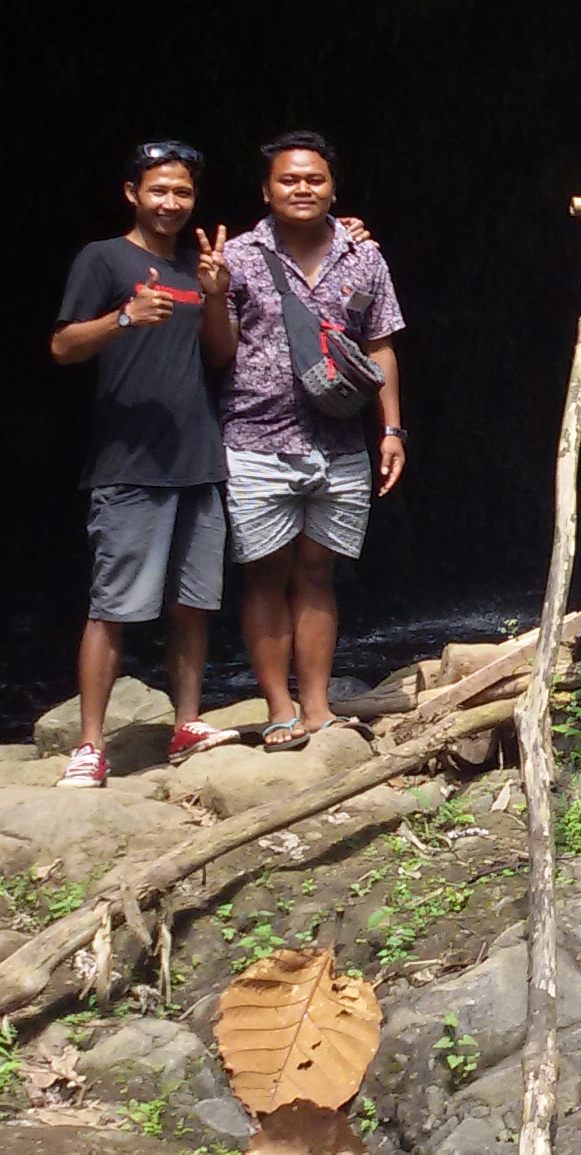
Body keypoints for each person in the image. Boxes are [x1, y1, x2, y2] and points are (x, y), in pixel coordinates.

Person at [47, 140, 241, 787]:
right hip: (127, 463)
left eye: (183, 192)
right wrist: (123, 317)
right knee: (112, 606)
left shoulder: (197, 266)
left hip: (198, 459)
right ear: (132, 193)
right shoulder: (103, 259)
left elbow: (219, 357)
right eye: (159, 190)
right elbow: (63, 345)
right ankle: (91, 745)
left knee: (193, 605)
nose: (171, 202)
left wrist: (215, 295)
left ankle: (186, 723)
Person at [204, 133, 406, 751]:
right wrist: (213, 297)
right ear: (266, 190)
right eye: (288, 180)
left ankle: (317, 708)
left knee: (318, 575)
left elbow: (380, 346)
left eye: (313, 179)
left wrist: (391, 428)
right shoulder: (236, 257)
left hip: (340, 440)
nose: (302, 189)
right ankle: (278, 709)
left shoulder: (363, 257)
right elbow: (218, 354)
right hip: (255, 437)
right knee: (265, 577)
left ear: (333, 188)